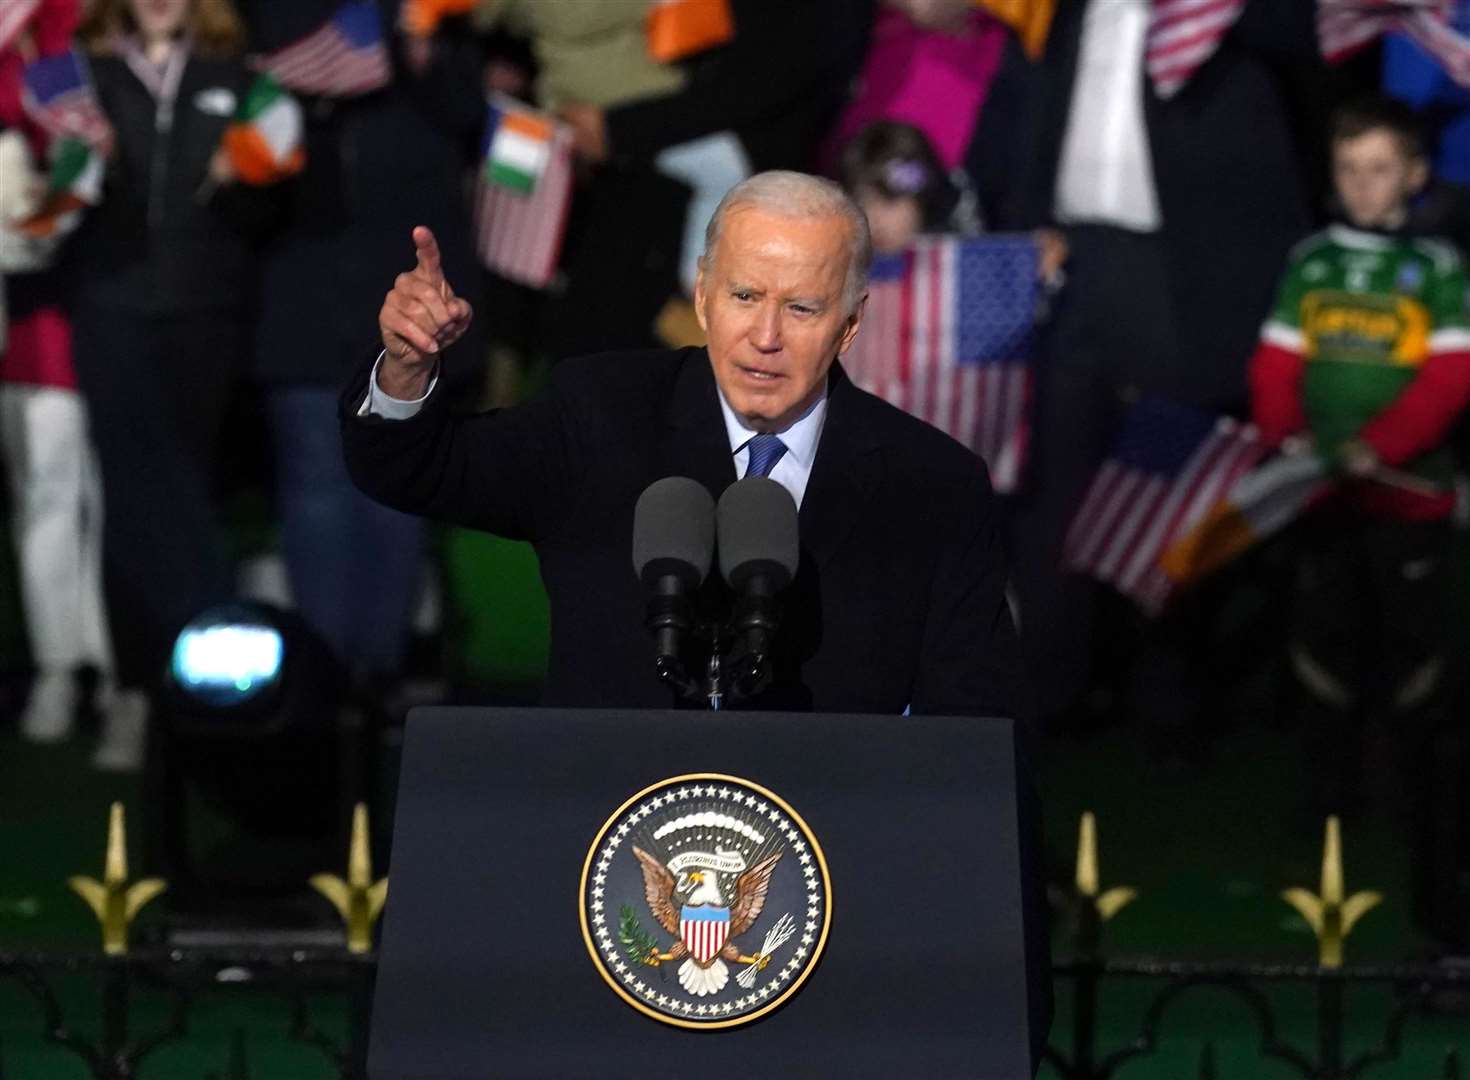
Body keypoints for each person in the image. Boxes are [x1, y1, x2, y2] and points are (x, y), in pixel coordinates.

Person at [344, 171, 1048, 1064]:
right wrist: (408, 368)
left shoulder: (931, 486)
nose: (763, 336)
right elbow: (417, 467)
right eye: (745, 295)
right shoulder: (602, 416)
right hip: (591, 928)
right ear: (702, 292)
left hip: (834, 950)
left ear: (852, 323)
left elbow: (982, 746)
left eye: (801, 308)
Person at [68, 0, 278, 769]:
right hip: (111, 305)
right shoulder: (82, 76)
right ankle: (134, 691)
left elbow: (274, 203)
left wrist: (247, 176)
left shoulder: (239, 78)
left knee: (191, 491)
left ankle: (199, 690)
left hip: (207, 309)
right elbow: (58, 192)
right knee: (128, 498)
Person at [1248, 96, 1470, 814]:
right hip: (1323, 493)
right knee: (1324, 639)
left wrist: (1381, 446)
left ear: (1415, 175)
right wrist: (1287, 436)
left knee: (1411, 644)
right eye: (1349, 169)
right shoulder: (1312, 263)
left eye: (1380, 169)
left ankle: (1412, 788)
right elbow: (1278, 362)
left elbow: (1452, 376)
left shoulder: (1438, 268)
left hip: (1410, 494)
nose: (1363, 184)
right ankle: (1326, 788)